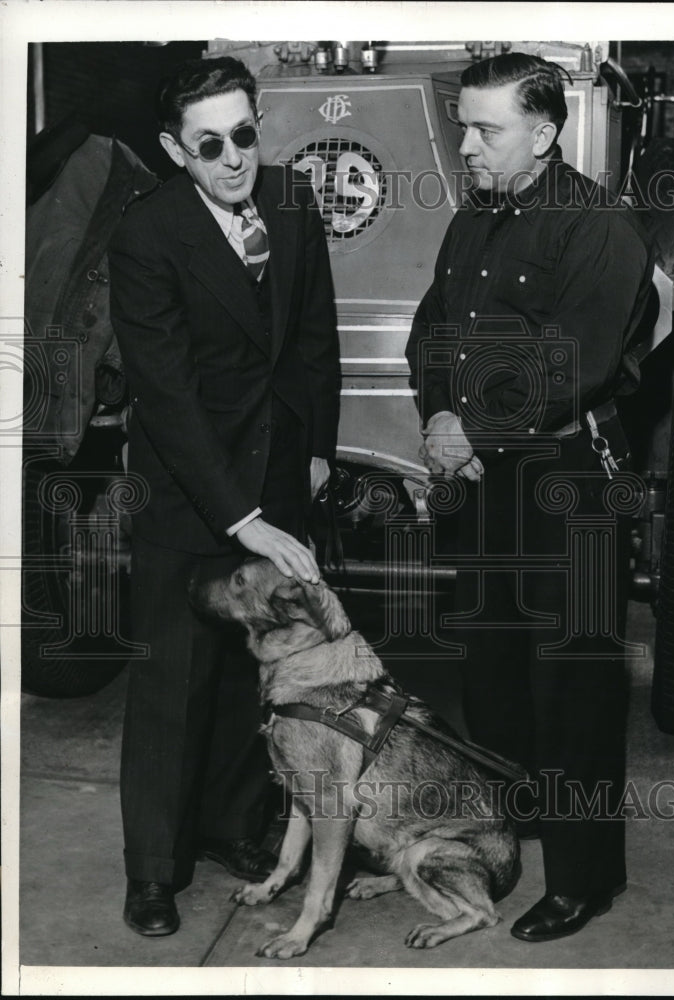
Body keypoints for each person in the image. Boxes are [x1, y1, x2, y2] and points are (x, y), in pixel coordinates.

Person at [405, 53, 654, 942]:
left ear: (543, 133)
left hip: (569, 488)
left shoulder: (599, 225)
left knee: (577, 689)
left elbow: (575, 360)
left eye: (486, 130)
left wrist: (470, 428)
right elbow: (432, 329)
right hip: (483, 485)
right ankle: (513, 840)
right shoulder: (476, 218)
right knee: (495, 675)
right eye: (464, 126)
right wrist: (439, 414)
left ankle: (587, 879)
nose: (466, 146)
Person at [108, 56, 340, 937]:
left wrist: (316, 452)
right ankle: (155, 872)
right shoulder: (147, 234)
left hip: (280, 477)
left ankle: (227, 826)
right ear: (175, 149)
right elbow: (164, 394)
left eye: (246, 133)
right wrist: (237, 515)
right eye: (211, 145)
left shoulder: (290, 201)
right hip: (191, 490)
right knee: (174, 683)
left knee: (261, 675)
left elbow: (313, 337)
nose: (236, 158)